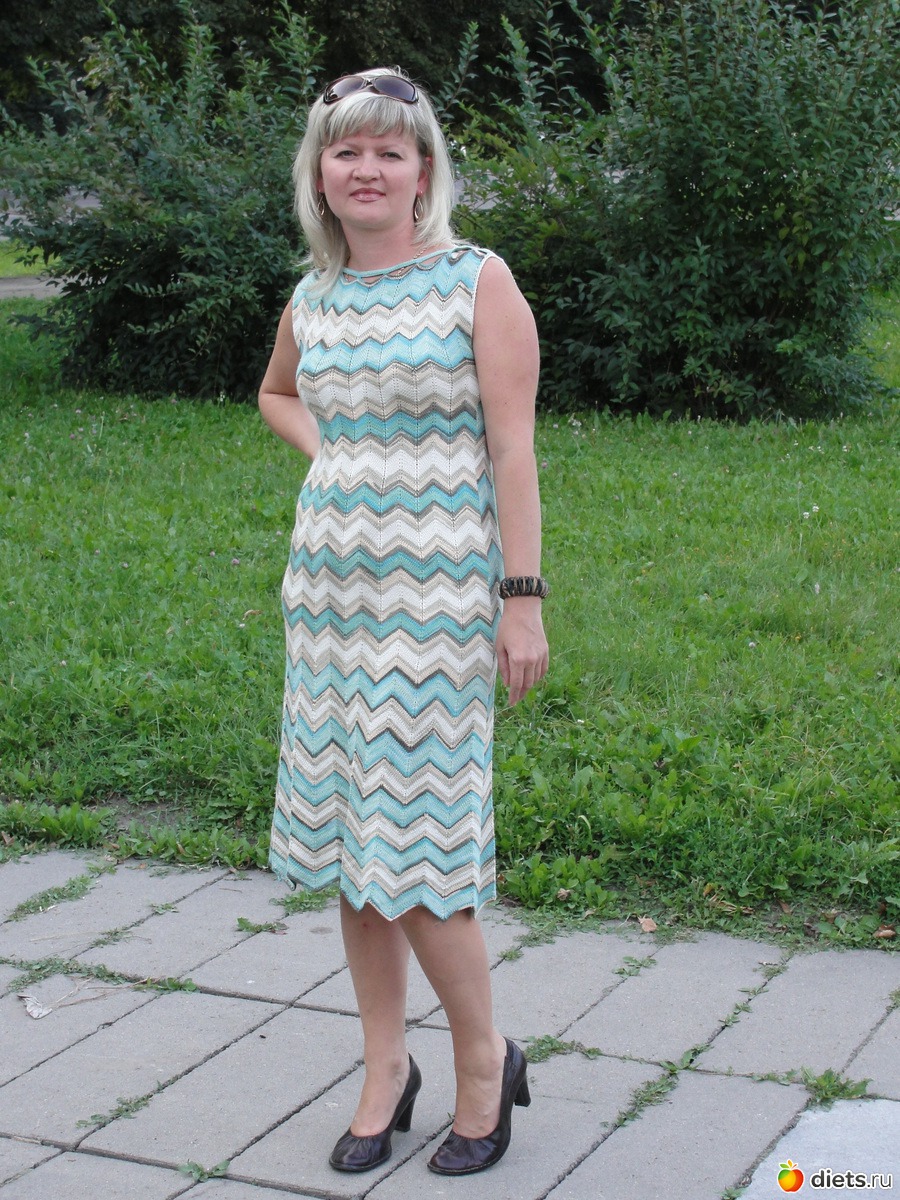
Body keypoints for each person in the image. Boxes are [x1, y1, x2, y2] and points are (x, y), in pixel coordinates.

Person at [258, 67, 549, 1178]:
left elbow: (513, 447)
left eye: (391, 150)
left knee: (420, 847)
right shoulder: (315, 296)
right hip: (331, 598)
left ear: (424, 171)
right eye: (347, 151)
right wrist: (340, 456)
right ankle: (386, 1067)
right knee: (350, 842)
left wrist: (522, 601)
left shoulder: (476, 281)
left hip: (440, 604)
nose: (367, 169)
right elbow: (278, 392)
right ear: (320, 173)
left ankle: (483, 1061)